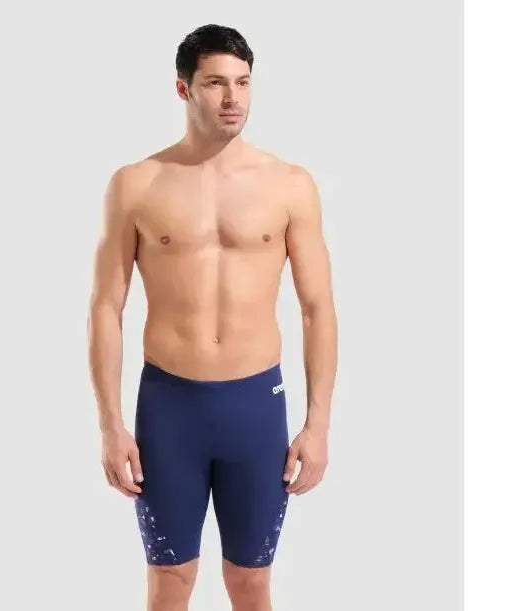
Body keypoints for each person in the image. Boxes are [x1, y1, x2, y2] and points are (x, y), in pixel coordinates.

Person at [87, 23, 338, 611]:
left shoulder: (289, 185)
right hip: (169, 408)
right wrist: (110, 424)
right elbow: (105, 307)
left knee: (250, 584)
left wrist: (319, 423)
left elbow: (318, 307)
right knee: (169, 583)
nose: (233, 98)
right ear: (183, 89)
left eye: (243, 83)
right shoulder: (135, 185)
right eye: (216, 83)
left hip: (255, 406)